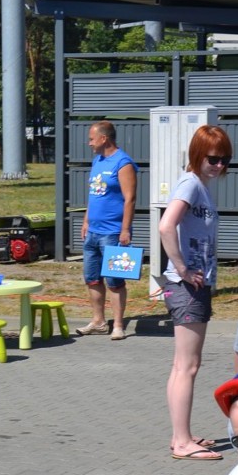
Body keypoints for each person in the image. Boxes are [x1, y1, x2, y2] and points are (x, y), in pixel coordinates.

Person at [159, 125, 233, 460]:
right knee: (187, 366)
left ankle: (181, 436)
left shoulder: (199, 186)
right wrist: (183, 269)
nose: (219, 166)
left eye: (224, 160)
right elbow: (165, 225)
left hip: (190, 284)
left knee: (184, 365)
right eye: (213, 159)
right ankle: (182, 442)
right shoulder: (190, 182)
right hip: (187, 285)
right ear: (198, 156)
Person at [76, 120, 136, 340]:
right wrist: (85, 221)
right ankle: (98, 321)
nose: (89, 143)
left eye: (92, 139)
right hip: (93, 231)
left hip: (113, 232)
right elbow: (94, 194)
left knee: (114, 280)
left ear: (104, 138)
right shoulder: (97, 161)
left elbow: (130, 199)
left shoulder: (123, 163)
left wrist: (125, 229)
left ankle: (118, 325)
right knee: (92, 278)